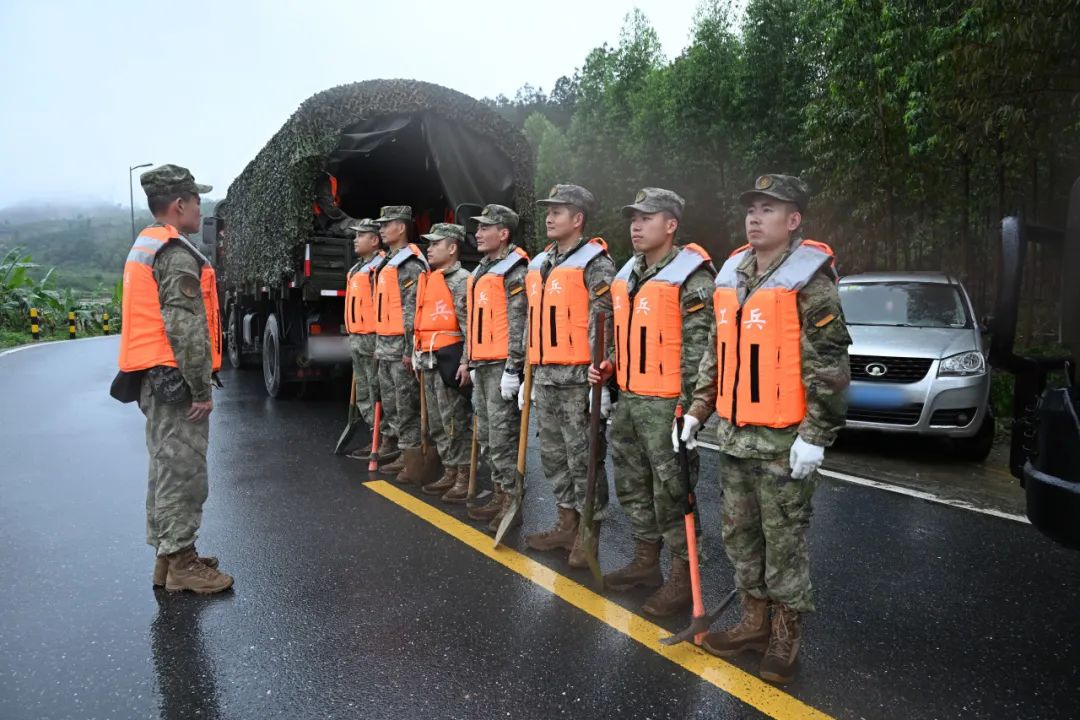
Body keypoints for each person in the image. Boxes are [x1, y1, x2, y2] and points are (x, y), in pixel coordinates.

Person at [679, 174, 851, 684]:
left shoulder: (811, 281)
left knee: (784, 541)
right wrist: (698, 409)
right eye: (752, 208)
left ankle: (784, 633)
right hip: (735, 434)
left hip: (783, 440)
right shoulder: (734, 273)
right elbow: (716, 349)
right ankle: (753, 620)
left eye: (768, 209)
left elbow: (832, 365)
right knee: (740, 535)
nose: (755, 217)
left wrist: (816, 435)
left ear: (794, 220)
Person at [588, 188, 714, 616]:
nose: (636, 226)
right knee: (632, 484)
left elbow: (699, 351)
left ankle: (681, 578)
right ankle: (646, 563)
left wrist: (691, 410)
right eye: (633, 219)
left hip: (668, 406)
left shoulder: (691, 276)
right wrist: (610, 365)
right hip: (631, 399)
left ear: (671, 224)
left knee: (672, 493)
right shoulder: (630, 274)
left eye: (646, 218)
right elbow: (631, 338)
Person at [117, 164, 232, 594]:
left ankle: (169, 558)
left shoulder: (147, 244)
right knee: (184, 471)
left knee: (166, 468)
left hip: (155, 374)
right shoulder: (175, 252)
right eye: (197, 201)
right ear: (179, 204)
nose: (202, 208)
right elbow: (184, 328)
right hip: (175, 377)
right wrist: (200, 388)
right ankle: (182, 562)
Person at [523, 184, 615, 567]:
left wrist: (603, 382)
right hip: (544, 376)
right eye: (548, 210)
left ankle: (588, 535)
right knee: (553, 456)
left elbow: (604, 323)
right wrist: (523, 371)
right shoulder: (543, 262)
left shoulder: (597, 263)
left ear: (578, 219)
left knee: (585, 460)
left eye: (558, 211)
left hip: (579, 379)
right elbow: (533, 318)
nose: (549, 216)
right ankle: (565, 524)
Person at [462, 205, 530, 525]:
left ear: (503, 234)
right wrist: (471, 360)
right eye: (477, 228)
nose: (477, 233)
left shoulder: (515, 268)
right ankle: (500, 493)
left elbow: (519, 322)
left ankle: (511, 503)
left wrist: (514, 368)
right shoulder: (484, 268)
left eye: (485, 228)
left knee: (504, 437)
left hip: (502, 363)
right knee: (488, 435)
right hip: (483, 362)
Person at [413, 223, 473, 497]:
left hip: (449, 360)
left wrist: (466, 362)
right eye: (429, 243)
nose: (430, 248)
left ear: (452, 248)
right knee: (437, 421)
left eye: (436, 243)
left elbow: (469, 327)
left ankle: (463, 474)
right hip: (428, 359)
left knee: (454, 421)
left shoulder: (462, 281)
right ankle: (448, 470)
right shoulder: (430, 278)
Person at [373, 205, 429, 483]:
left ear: (402, 228)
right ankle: (401, 453)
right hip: (385, 346)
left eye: (387, 224)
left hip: (400, 348)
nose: (381, 228)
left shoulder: (410, 265)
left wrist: (410, 351)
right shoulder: (388, 261)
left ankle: (414, 462)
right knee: (393, 405)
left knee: (407, 408)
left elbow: (412, 311)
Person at [343, 218, 389, 460]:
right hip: (357, 337)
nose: (355, 240)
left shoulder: (379, 268)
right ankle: (374, 436)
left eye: (360, 236)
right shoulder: (357, 268)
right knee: (363, 391)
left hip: (372, 338)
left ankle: (383, 441)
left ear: (374, 240)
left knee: (376, 391)